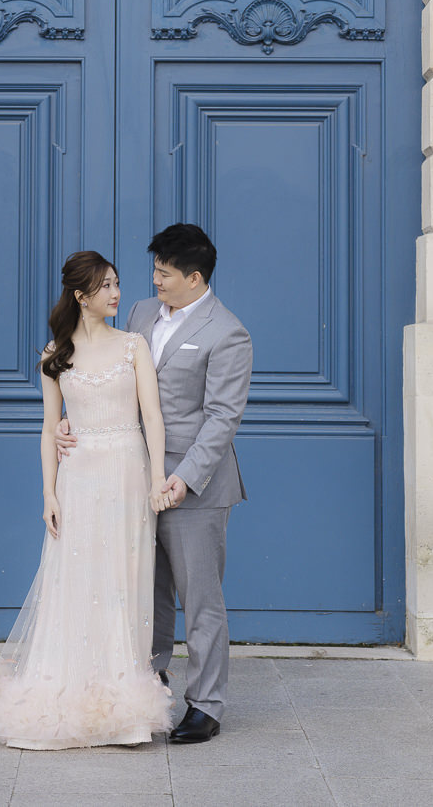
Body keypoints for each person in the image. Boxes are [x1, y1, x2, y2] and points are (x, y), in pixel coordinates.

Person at [0, 250, 175, 750]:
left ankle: (124, 711)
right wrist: (48, 492)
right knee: (77, 579)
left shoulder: (134, 345)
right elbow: (47, 427)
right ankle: (70, 696)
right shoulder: (54, 355)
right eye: (106, 287)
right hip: (79, 478)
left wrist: (158, 477)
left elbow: (153, 417)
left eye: (118, 284)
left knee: (124, 581)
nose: (117, 294)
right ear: (80, 296)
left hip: (127, 470)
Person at [57, 223, 253, 744]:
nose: (154, 281)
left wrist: (183, 479)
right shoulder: (141, 313)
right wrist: (71, 418)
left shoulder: (227, 332)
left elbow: (221, 419)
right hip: (129, 477)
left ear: (194, 277)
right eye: (153, 271)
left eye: (164, 273)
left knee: (200, 597)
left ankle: (206, 704)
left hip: (194, 485)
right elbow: (103, 373)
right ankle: (151, 682)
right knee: (147, 589)